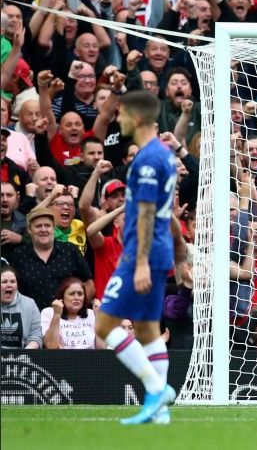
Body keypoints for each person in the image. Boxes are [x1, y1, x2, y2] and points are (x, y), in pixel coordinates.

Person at [93, 91, 178, 425]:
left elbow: (144, 213)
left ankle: (156, 388)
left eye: (124, 113)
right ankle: (160, 412)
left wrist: (139, 260)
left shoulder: (146, 160)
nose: (120, 119)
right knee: (146, 329)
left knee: (104, 323)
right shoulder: (165, 154)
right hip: (159, 250)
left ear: (138, 118)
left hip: (142, 252)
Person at [40, 277, 103, 349]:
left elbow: (103, 349)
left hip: (91, 359)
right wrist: (57, 314)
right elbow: (51, 346)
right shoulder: (49, 313)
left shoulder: (92, 314)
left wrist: (98, 317)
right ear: (62, 297)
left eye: (80, 294)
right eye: (72, 294)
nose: (77, 297)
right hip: (61, 359)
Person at [0, 266, 43, 349]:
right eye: (4, 282)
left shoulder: (30, 304)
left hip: (22, 357)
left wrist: (27, 350)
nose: (9, 285)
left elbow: (36, 335)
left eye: (12, 281)